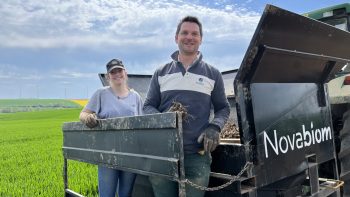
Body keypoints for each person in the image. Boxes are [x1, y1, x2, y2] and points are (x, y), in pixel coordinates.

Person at [143, 16, 230, 197]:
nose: (189, 37)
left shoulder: (213, 74)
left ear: (201, 39)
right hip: (163, 153)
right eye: (184, 33)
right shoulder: (161, 72)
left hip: (196, 155)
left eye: (194, 34)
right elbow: (148, 106)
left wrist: (215, 127)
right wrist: (165, 118)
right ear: (176, 37)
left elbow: (223, 108)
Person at [79, 58, 143, 197]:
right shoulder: (101, 94)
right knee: (107, 194)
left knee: (126, 194)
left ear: (125, 73)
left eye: (119, 70)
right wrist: (88, 118)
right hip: (107, 154)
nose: (117, 74)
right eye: (113, 72)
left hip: (130, 154)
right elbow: (83, 113)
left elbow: (141, 123)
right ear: (108, 76)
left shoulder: (135, 97)